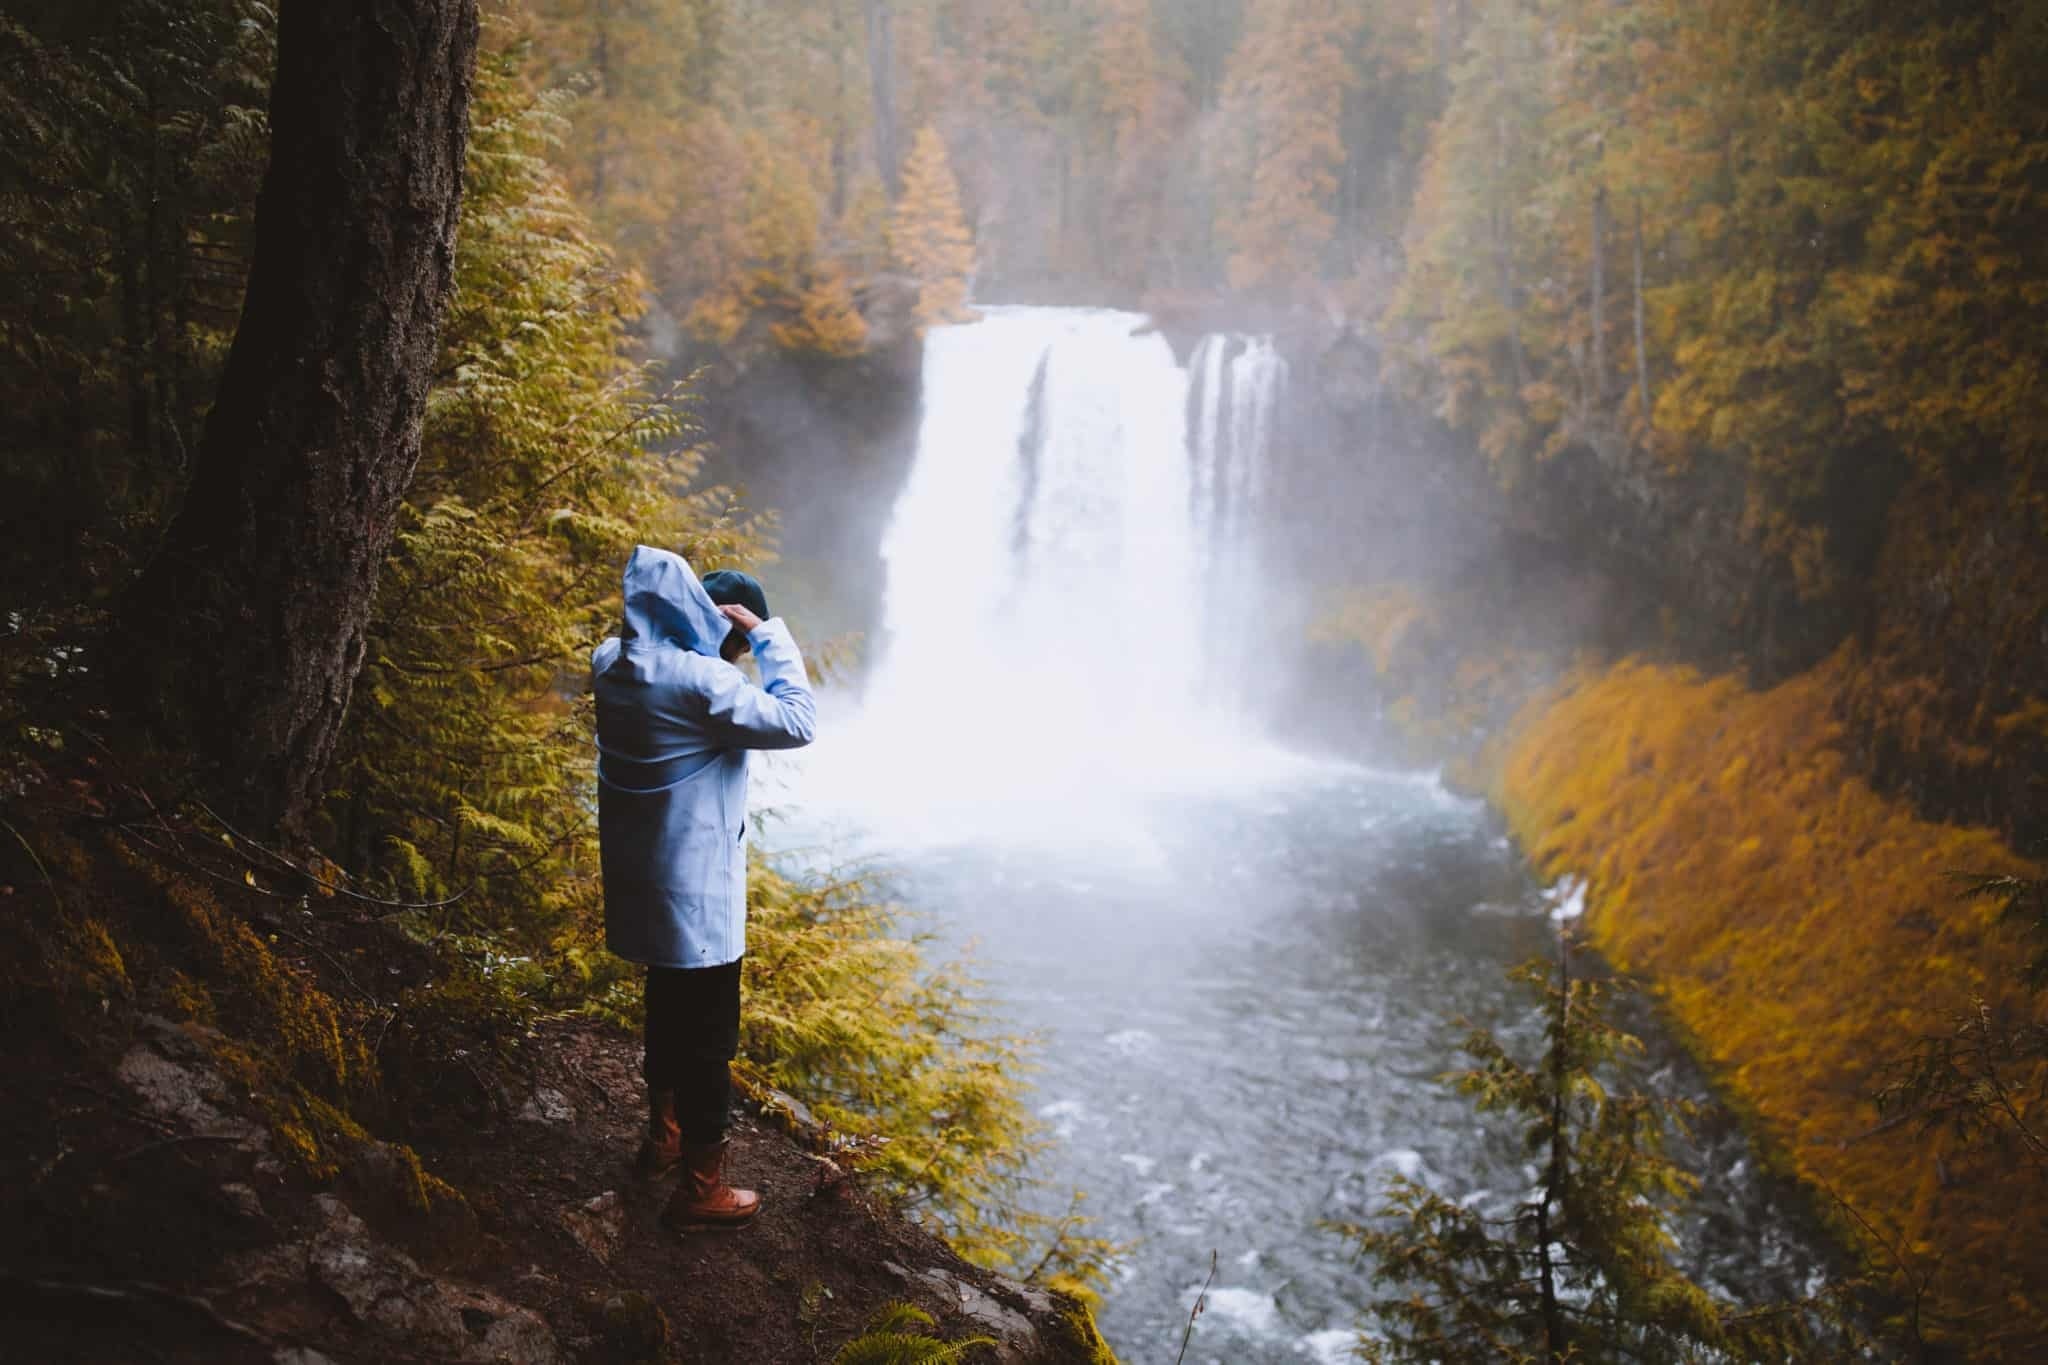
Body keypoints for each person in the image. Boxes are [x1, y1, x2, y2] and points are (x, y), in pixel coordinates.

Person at [591, 545, 816, 1229]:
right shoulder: (701, 686)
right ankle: (700, 1187)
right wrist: (766, 634)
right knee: (711, 1039)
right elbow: (798, 719)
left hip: (645, 879)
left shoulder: (612, 663)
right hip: (699, 891)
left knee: (664, 1004)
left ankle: (660, 1138)